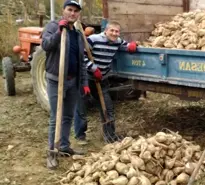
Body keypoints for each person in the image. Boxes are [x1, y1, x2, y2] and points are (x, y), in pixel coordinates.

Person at [41, 0, 90, 169]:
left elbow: (82, 61)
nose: (72, 13)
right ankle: (52, 152)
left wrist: (84, 82)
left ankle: (63, 146)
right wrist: (58, 31)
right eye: (69, 10)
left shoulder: (77, 33)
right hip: (56, 79)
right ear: (63, 11)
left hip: (73, 80)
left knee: (68, 116)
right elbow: (46, 45)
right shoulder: (53, 26)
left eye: (76, 11)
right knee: (57, 117)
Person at [73, 21, 137, 144]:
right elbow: (81, 56)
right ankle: (80, 135)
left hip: (101, 79)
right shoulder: (93, 39)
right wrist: (93, 68)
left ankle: (110, 136)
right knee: (81, 107)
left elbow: (126, 45)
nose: (114, 33)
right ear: (106, 31)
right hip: (86, 78)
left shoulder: (117, 41)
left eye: (117, 31)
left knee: (107, 107)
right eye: (112, 30)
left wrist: (131, 46)